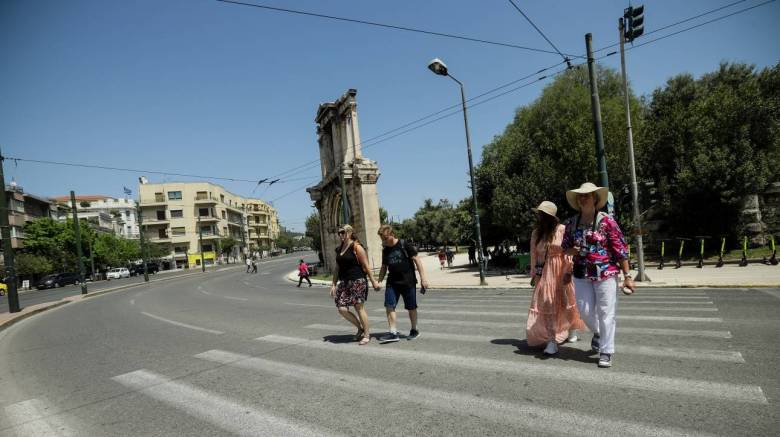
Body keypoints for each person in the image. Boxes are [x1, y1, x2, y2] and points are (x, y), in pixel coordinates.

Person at [562, 182, 637, 368]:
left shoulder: (607, 222)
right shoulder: (571, 223)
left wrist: (627, 276)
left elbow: (620, 250)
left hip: (605, 273)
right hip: (581, 274)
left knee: (606, 313)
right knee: (585, 312)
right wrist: (573, 251)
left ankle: (606, 351)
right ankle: (598, 333)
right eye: (580, 196)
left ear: (595, 199)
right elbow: (565, 249)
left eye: (586, 195)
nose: (582, 198)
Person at [525, 201, 585, 355]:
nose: (539, 217)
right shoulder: (536, 233)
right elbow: (533, 254)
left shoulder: (563, 230)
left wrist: (568, 271)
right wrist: (534, 274)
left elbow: (569, 252)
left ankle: (572, 329)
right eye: (539, 214)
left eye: (542, 214)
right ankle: (551, 341)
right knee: (548, 304)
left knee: (567, 302)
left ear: (550, 216)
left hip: (562, 270)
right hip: (545, 273)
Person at [376, 224, 429, 343]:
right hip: (392, 282)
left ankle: (414, 330)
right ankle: (393, 332)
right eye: (382, 239)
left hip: (408, 281)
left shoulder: (404, 244)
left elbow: (417, 260)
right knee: (389, 305)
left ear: (392, 234)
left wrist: (423, 278)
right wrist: (379, 281)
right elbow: (384, 267)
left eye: (385, 238)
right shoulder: (385, 250)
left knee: (411, 307)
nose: (383, 241)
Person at [330, 225, 380, 345]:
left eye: (343, 232)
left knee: (359, 307)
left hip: (357, 280)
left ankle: (367, 334)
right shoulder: (339, 249)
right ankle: (360, 328)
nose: (340, 235)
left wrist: (373, 281)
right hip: (345, 282)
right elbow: (337, 268)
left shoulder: (356, 247)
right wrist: (333, 284)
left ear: (350, 232)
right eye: (339, 233)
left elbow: (366, 265)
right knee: (341, 308)